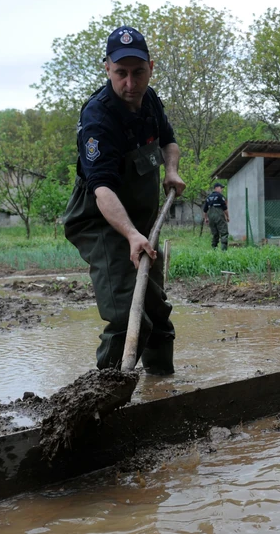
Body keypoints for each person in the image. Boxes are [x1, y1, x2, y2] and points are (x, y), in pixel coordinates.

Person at [63, 26, 186, 375]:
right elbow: (102, 189)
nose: (130, 84)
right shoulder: (97, 118)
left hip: (140, 222)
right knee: (125, 313)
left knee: (156, 310)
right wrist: (131, 235)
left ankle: (162, 389)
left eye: (138, 73)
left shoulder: (150, 101)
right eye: (121, 73)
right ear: (107, 69)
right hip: (100, 222)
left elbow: (169, 141)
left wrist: (171, 171)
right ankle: (103, 398)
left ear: (150, 67)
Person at [203, 182, 229, 250]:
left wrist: (206, 218)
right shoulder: (220, 196)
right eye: (221, 188)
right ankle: (224, 250)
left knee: (215, 233)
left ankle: (214, 249)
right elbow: (225, 208)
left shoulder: (208, 197)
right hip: (218, 215)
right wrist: (227, 216)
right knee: (224, 232)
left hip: (211, 216)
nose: (221, 190)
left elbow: (205, 210)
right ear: (216, 188)